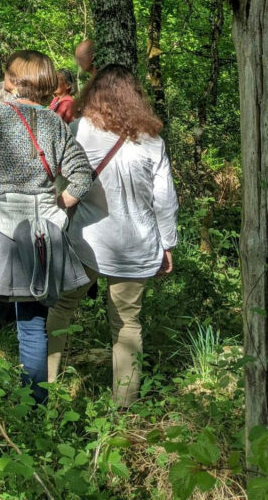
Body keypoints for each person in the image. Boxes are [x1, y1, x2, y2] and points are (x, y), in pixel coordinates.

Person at [0, 51, 94, 403]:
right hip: (42, 231)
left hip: (0, 223)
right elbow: (82, 175)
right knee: (31, 322)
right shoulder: (55, 123)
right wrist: (57, 209)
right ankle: (35, 406)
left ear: (13, 81)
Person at [46, 64, 178, 408]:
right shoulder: (152, 141)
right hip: (136, 245)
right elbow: (164, 200)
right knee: (126, 324)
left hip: (85, 240)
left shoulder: (78, 130)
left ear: (93, 93)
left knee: (61, 308)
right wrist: (167, 243)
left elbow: (60, 183)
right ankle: (124, 408)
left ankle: (48, 390)